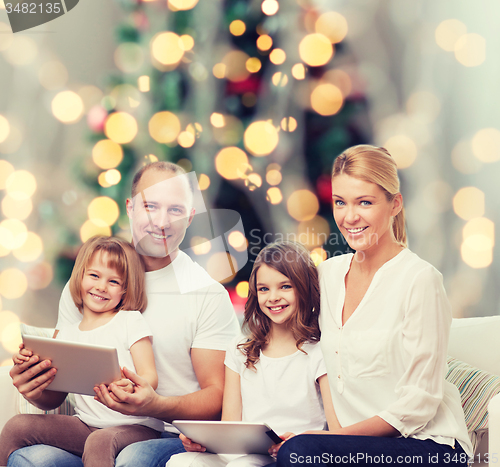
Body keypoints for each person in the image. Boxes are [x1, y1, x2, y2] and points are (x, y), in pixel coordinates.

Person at [8, 162, 240, 467]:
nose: (161, 221)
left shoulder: (207, 295)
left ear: (190, 217)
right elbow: (58, 391)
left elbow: (218, 396)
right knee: (30, 459)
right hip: (91, 429)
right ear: (130, 208)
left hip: (170, 435)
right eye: (151, 206)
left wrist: (157, 405)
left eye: (175, 210)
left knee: (130, 458)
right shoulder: (89, 284)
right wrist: (36, 388)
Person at [269, 145, 473, 467]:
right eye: (340, 202)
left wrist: (331, 440)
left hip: (426, 446)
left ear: (395, 204)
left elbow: (419, 403)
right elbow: (287, 350)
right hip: (352, 447)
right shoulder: (327, 275)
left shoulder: (420, 280)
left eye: (365, 202)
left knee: (302, 453)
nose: (349, 217)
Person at [167, 241, 340, 467]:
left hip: (296, 456)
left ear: (304, 288)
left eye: (285, 286)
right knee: (181, 462)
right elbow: (230, 424)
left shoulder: (319, 350)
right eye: (264, 289)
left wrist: (298, 442)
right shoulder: (240, 349)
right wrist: (201, 442)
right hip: (246, 454)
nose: (273, 297)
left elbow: (336, 431)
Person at [0, 235, 161, 467]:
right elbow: (54, 397)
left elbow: (150, 376)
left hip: (136, 427)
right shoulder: (66, 332)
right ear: (80, 277)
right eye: (94, 275)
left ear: (125, 290)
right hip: (86, 425)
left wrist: (134, 386)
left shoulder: (129, 321)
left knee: (99, 441)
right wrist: (33, 378)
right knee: (17, 426)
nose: (101, 287)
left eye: (113, 282)